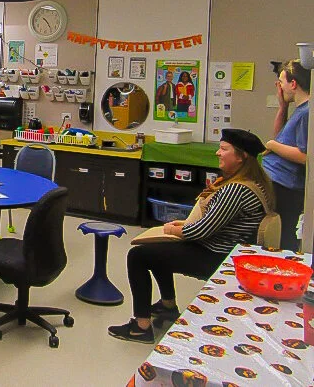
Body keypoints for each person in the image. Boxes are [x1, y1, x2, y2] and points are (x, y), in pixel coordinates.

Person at [108, 129, 273, 344]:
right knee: (157, 251)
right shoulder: (257, 183)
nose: (218, 153)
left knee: (138, 256)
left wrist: (174, 230)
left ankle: (141, 327)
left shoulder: (235, 190)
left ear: (241, 157)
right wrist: (184, 225)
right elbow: (216, 222)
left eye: (224, 149)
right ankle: (167, 306)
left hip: (218, 256)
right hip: (232, 252)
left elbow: (201, 231)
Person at [263, 59, 309, 251]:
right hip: (278, 181)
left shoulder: (307, 112)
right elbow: (280, 138)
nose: (279, 86)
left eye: (281, 82)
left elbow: (306, 157)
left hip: (286, 186)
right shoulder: (300, 110)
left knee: (283, 234)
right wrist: (282, 107)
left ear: (293, 83)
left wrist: (272, 146)